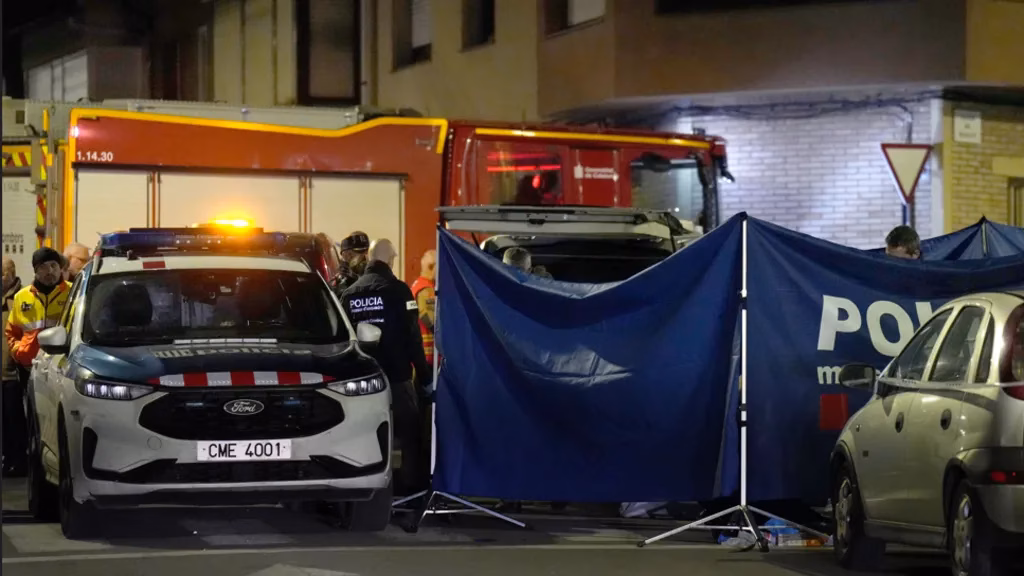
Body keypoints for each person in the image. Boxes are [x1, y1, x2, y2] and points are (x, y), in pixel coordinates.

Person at [341, 239, 431, 495]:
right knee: (409, 435)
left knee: (364, 435)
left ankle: (369, 489)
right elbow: (413, 338)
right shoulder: (400, 291)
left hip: (362, 383)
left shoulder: (349, 294)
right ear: (391, 259)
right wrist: (425, 377)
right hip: (397, 378)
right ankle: (409, 492)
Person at [3, 248, 71, 476]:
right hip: (29, 368)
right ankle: (31, 464)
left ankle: (53, 465)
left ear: (60, 268)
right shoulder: (22, 297)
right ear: (35, 270)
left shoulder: (72, 293)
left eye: (54, 266)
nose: (49, 271)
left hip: (61, 369)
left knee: (54, 421)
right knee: (29, 420)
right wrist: (18, 352)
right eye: (43, 267)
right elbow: (12, 331)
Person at [410, 250, 437, 366]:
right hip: (428, 353)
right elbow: (429, 318)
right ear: (432, 267)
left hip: (420, 351)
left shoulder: (417, 285)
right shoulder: (427, 290)